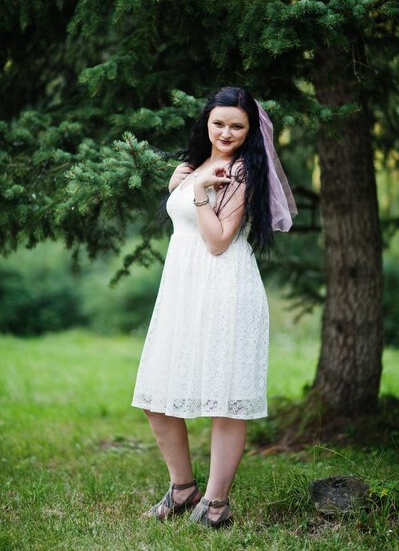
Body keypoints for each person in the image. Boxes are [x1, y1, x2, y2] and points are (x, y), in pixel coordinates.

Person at [131, 86, 297, 528]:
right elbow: (186, 216)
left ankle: (217, 504)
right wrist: (180, 185)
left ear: (250, 130)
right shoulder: (198, 164)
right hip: (183, 288)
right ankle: (183, 488)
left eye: (237, 126)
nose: (226, 132)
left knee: (226, 399)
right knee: (157, 393)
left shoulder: (243, 171)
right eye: (219, 123)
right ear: (207, 121)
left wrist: (200, 192)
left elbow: (219, 240)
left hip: (224, 287)